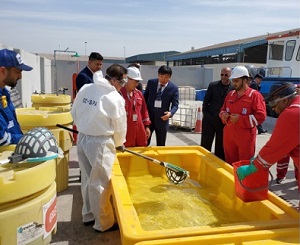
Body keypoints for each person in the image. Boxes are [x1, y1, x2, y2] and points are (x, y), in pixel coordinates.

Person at [71, 64, 127, 233]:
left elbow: (74, 111)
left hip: (82, 138)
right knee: (101, 183)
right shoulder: (114, 97)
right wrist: (118, 143)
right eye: (123, 82)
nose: (122, 86)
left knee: (87, 179)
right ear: (115, 80)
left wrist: (83, 126)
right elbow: (119, 125)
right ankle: (103, 223)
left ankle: (88, 215)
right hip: (101, 143)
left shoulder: (87, 88)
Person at [236, 82, 299, 191]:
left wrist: (254, 167)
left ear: (284, 100)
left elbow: (274, 147)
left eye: (274, 105)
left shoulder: (291, 114)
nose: (273, 109)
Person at [219, 65, 266, 164]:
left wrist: (240, 119)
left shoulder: (254, 96)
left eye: (236, 81)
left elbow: (261, 116)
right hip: (229, 135)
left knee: (244, 165)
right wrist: (223, 115)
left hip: (245, 137)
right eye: (233, 81)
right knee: (230, 163)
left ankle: (243, 181)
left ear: (245, 80)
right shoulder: (230, 95)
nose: (233, 83)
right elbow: (222, 109)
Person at [0, 49, 32, 146]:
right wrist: (26, 139)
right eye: (18, 71)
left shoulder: (4, 94)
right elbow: (1, 139)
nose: (20, 76)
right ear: (2, 71)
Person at [200, 67, 234, 160]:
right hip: (209, 120)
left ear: (230, 75)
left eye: (226, 75)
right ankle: (203, 162)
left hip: (223, 122)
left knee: (220, 146)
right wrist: (207, 115)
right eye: (222, 74)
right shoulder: (213, 85)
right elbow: (205, 102)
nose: (223, 77)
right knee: (205, 145)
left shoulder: (233, 88)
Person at [144, 65, 179, 146]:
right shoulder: (151, 83)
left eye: (166, 77)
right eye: (161, 76)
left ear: (170, 77)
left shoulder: (173, 88)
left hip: (162, 120)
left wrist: (170, 113)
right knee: (145, 142)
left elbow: (175, 104)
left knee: (161, 144)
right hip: (149, 119)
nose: (163, 79)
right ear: (158, 75)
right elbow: (144, 99)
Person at [120, 66, 151, 147]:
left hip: (139, 130)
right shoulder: (119, 94)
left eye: (138, 82)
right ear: (127, 79)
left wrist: (147, 127)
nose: (137, 84)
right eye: (135, 81)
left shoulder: (139, 94)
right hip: (125, 131)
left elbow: (144, 111)